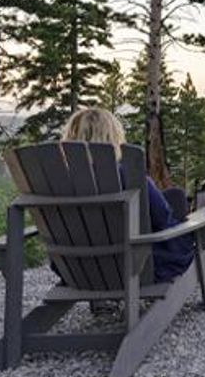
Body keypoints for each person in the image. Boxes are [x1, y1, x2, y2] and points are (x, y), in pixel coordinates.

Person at [61, 108, 194, 284]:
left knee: (173, 195)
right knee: (176, 199)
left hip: (76, 268)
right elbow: (162, 217)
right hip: (132, 265)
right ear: (113, 137)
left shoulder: (59, 180)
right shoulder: (127, 175)